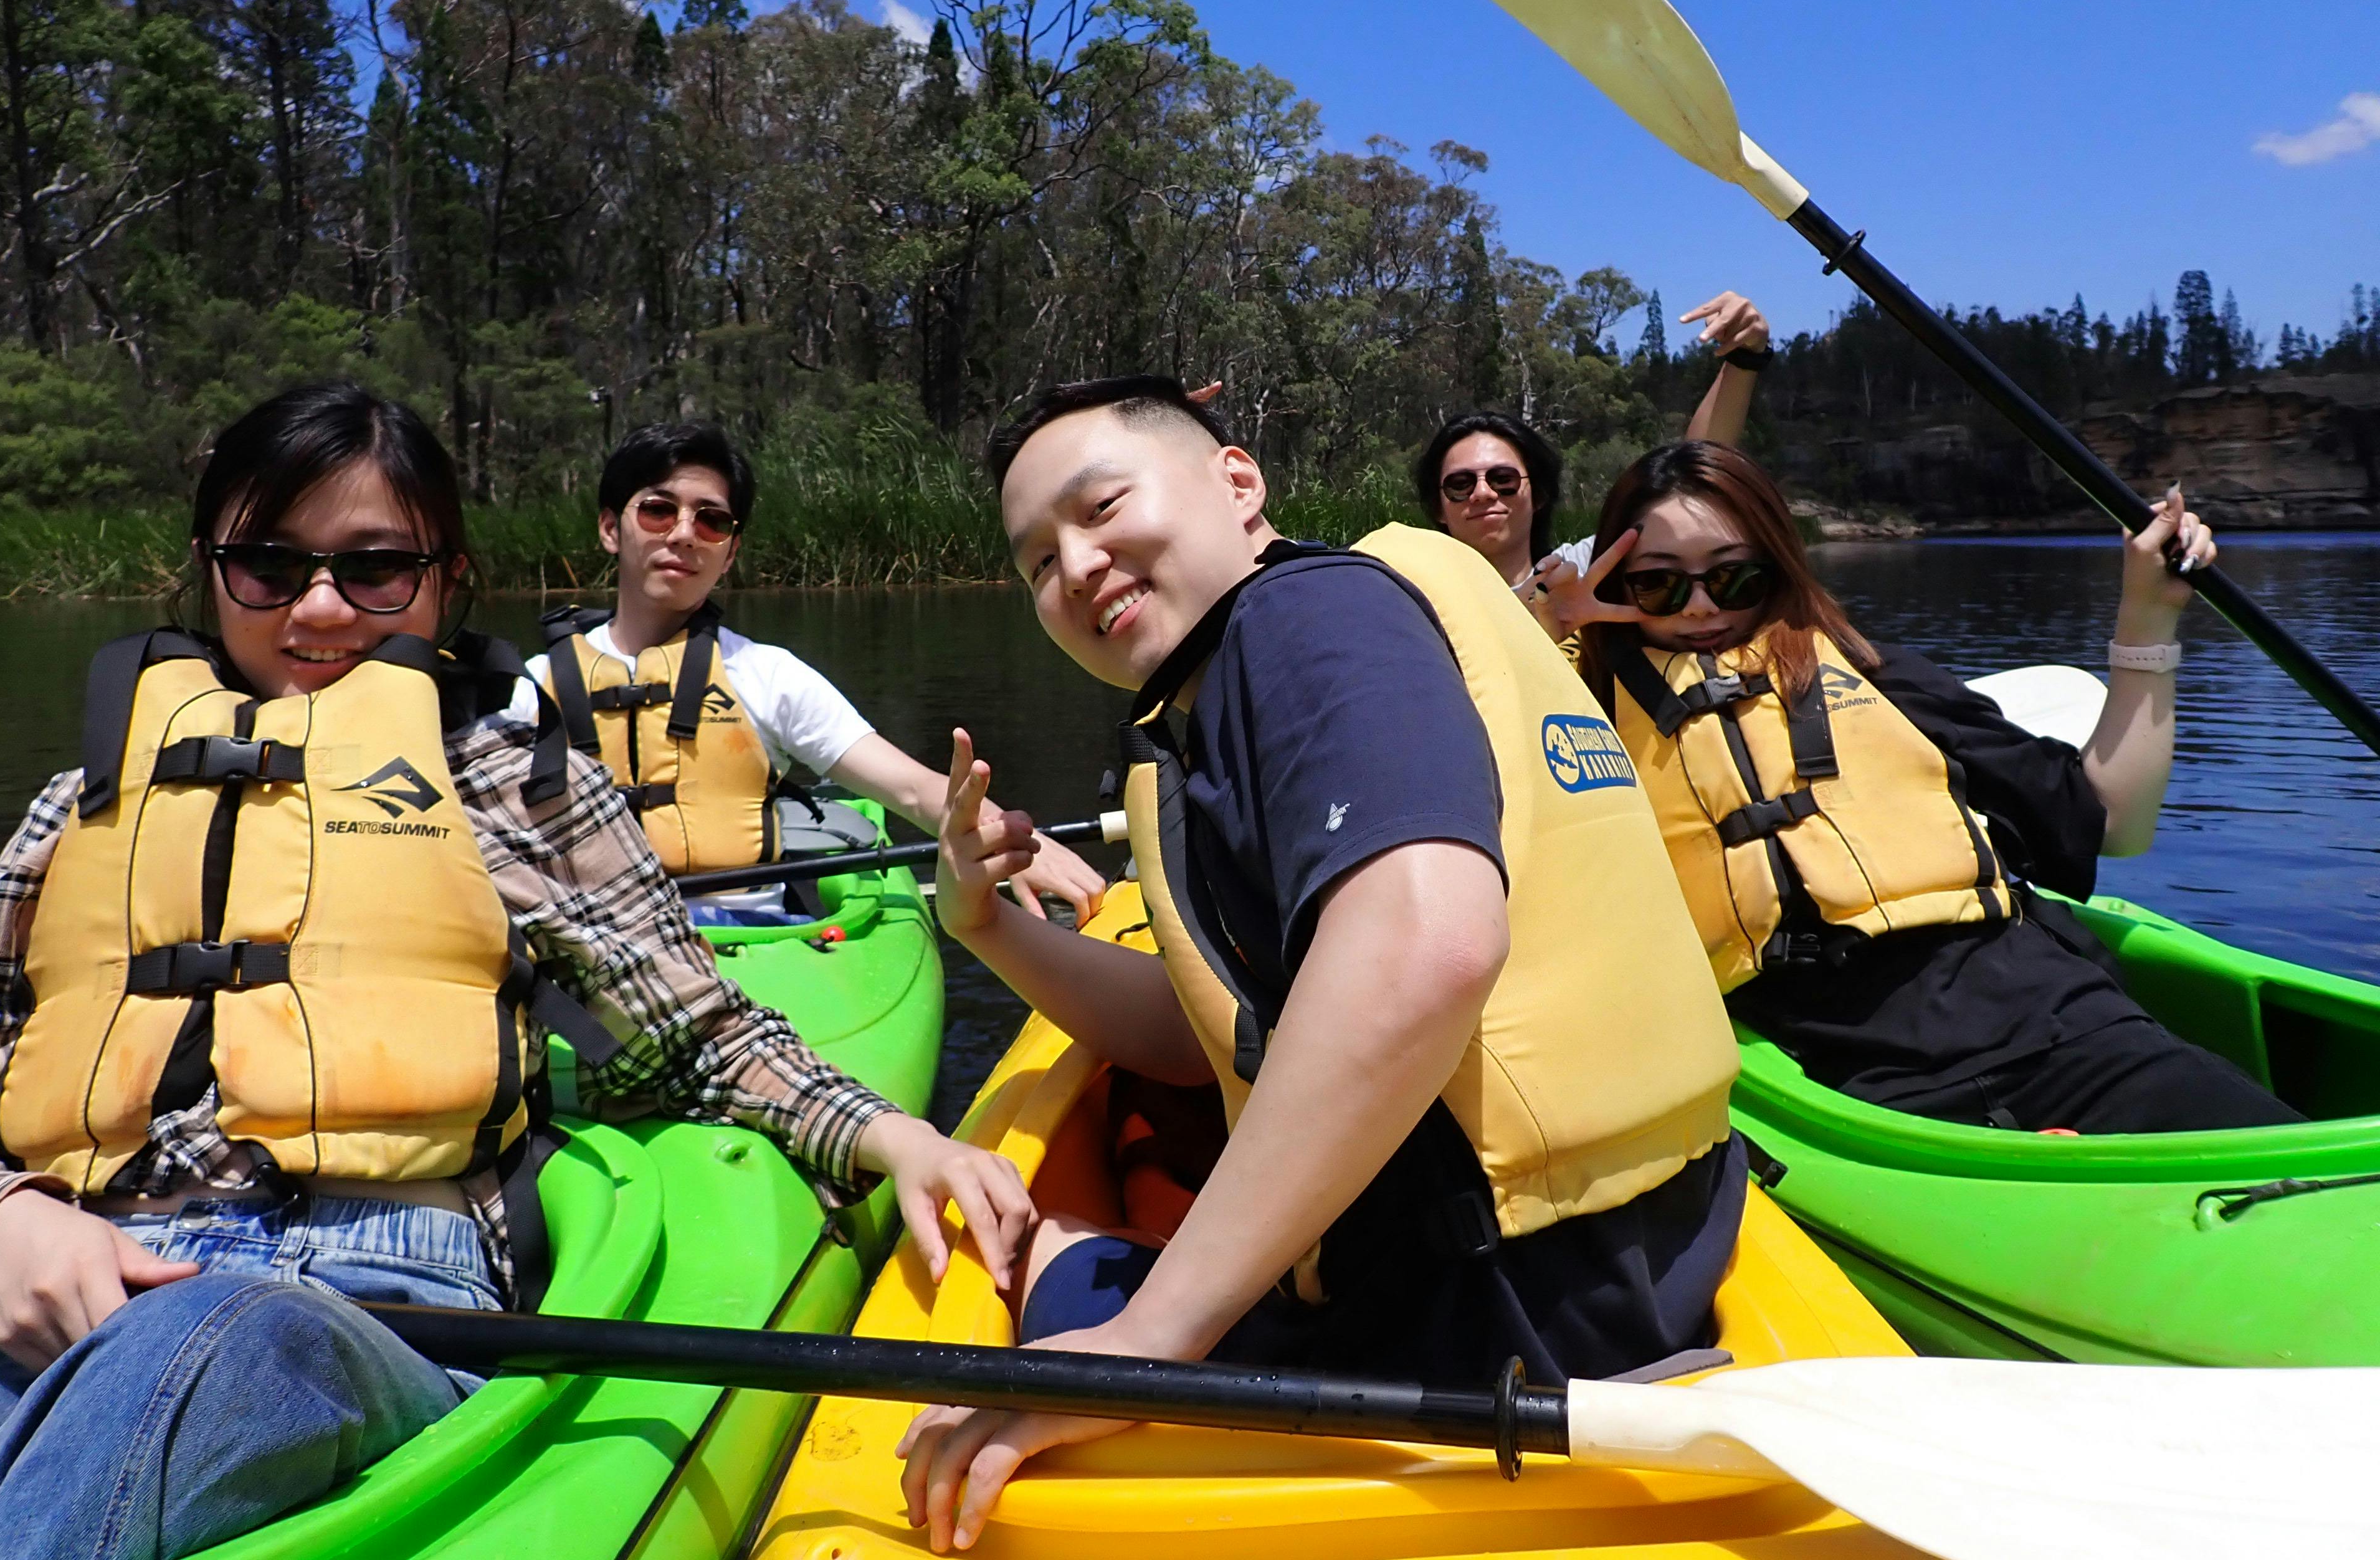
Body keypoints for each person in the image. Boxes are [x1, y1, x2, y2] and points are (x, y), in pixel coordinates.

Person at [0, 383, 1032, 1560]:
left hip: (362, 1318)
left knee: (216, 1332)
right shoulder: (82, 802)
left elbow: (701, 1042)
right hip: (54, 1320)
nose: (320, 608)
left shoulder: (515, 783)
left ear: (446, 582)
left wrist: (897, 1136)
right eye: (267, 567)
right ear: (208, 569)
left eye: (375, 569)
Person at [895, 377, 1746, 1553]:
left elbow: (1426, 945)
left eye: (1102, 509)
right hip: (1616, 1277)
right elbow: (1203, 1039)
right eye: (1038, 561)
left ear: (1238, 484)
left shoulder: (1297, 624)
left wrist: (1149, 1342)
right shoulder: (1247, 677)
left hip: (1475, 1327)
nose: (1076, 567)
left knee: (1052, 1251)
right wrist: (987, 927)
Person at [1558, 438, 2301, 1134]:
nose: (1699, 607)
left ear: (1777, 567)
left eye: (1732, 576)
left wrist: (2148, 613)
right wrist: (1544, 621)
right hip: (1845, 1081)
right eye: (1656, 583)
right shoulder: (1578, 722)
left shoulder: (1880, 681)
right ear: (1614, 583)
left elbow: (2115, 824)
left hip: (2056, 1022)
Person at [513, 422, 1105, 926]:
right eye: (659, 510)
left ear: (731, 553)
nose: (685, 534)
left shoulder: (766, 675)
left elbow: (909, 787)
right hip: (592, 936)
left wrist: (1025, 844)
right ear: (612, 529)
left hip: (747, 933)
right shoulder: (533, 689)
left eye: (712, 521)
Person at [1419, 292, 1775, 625]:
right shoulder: (1414, 607)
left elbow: (1694, 475)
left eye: (1503, 480)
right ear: (1438, 507)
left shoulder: (1583, 572)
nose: (1483, 493)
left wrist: (1743, 360)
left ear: (1539, 494)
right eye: (1460, 484)